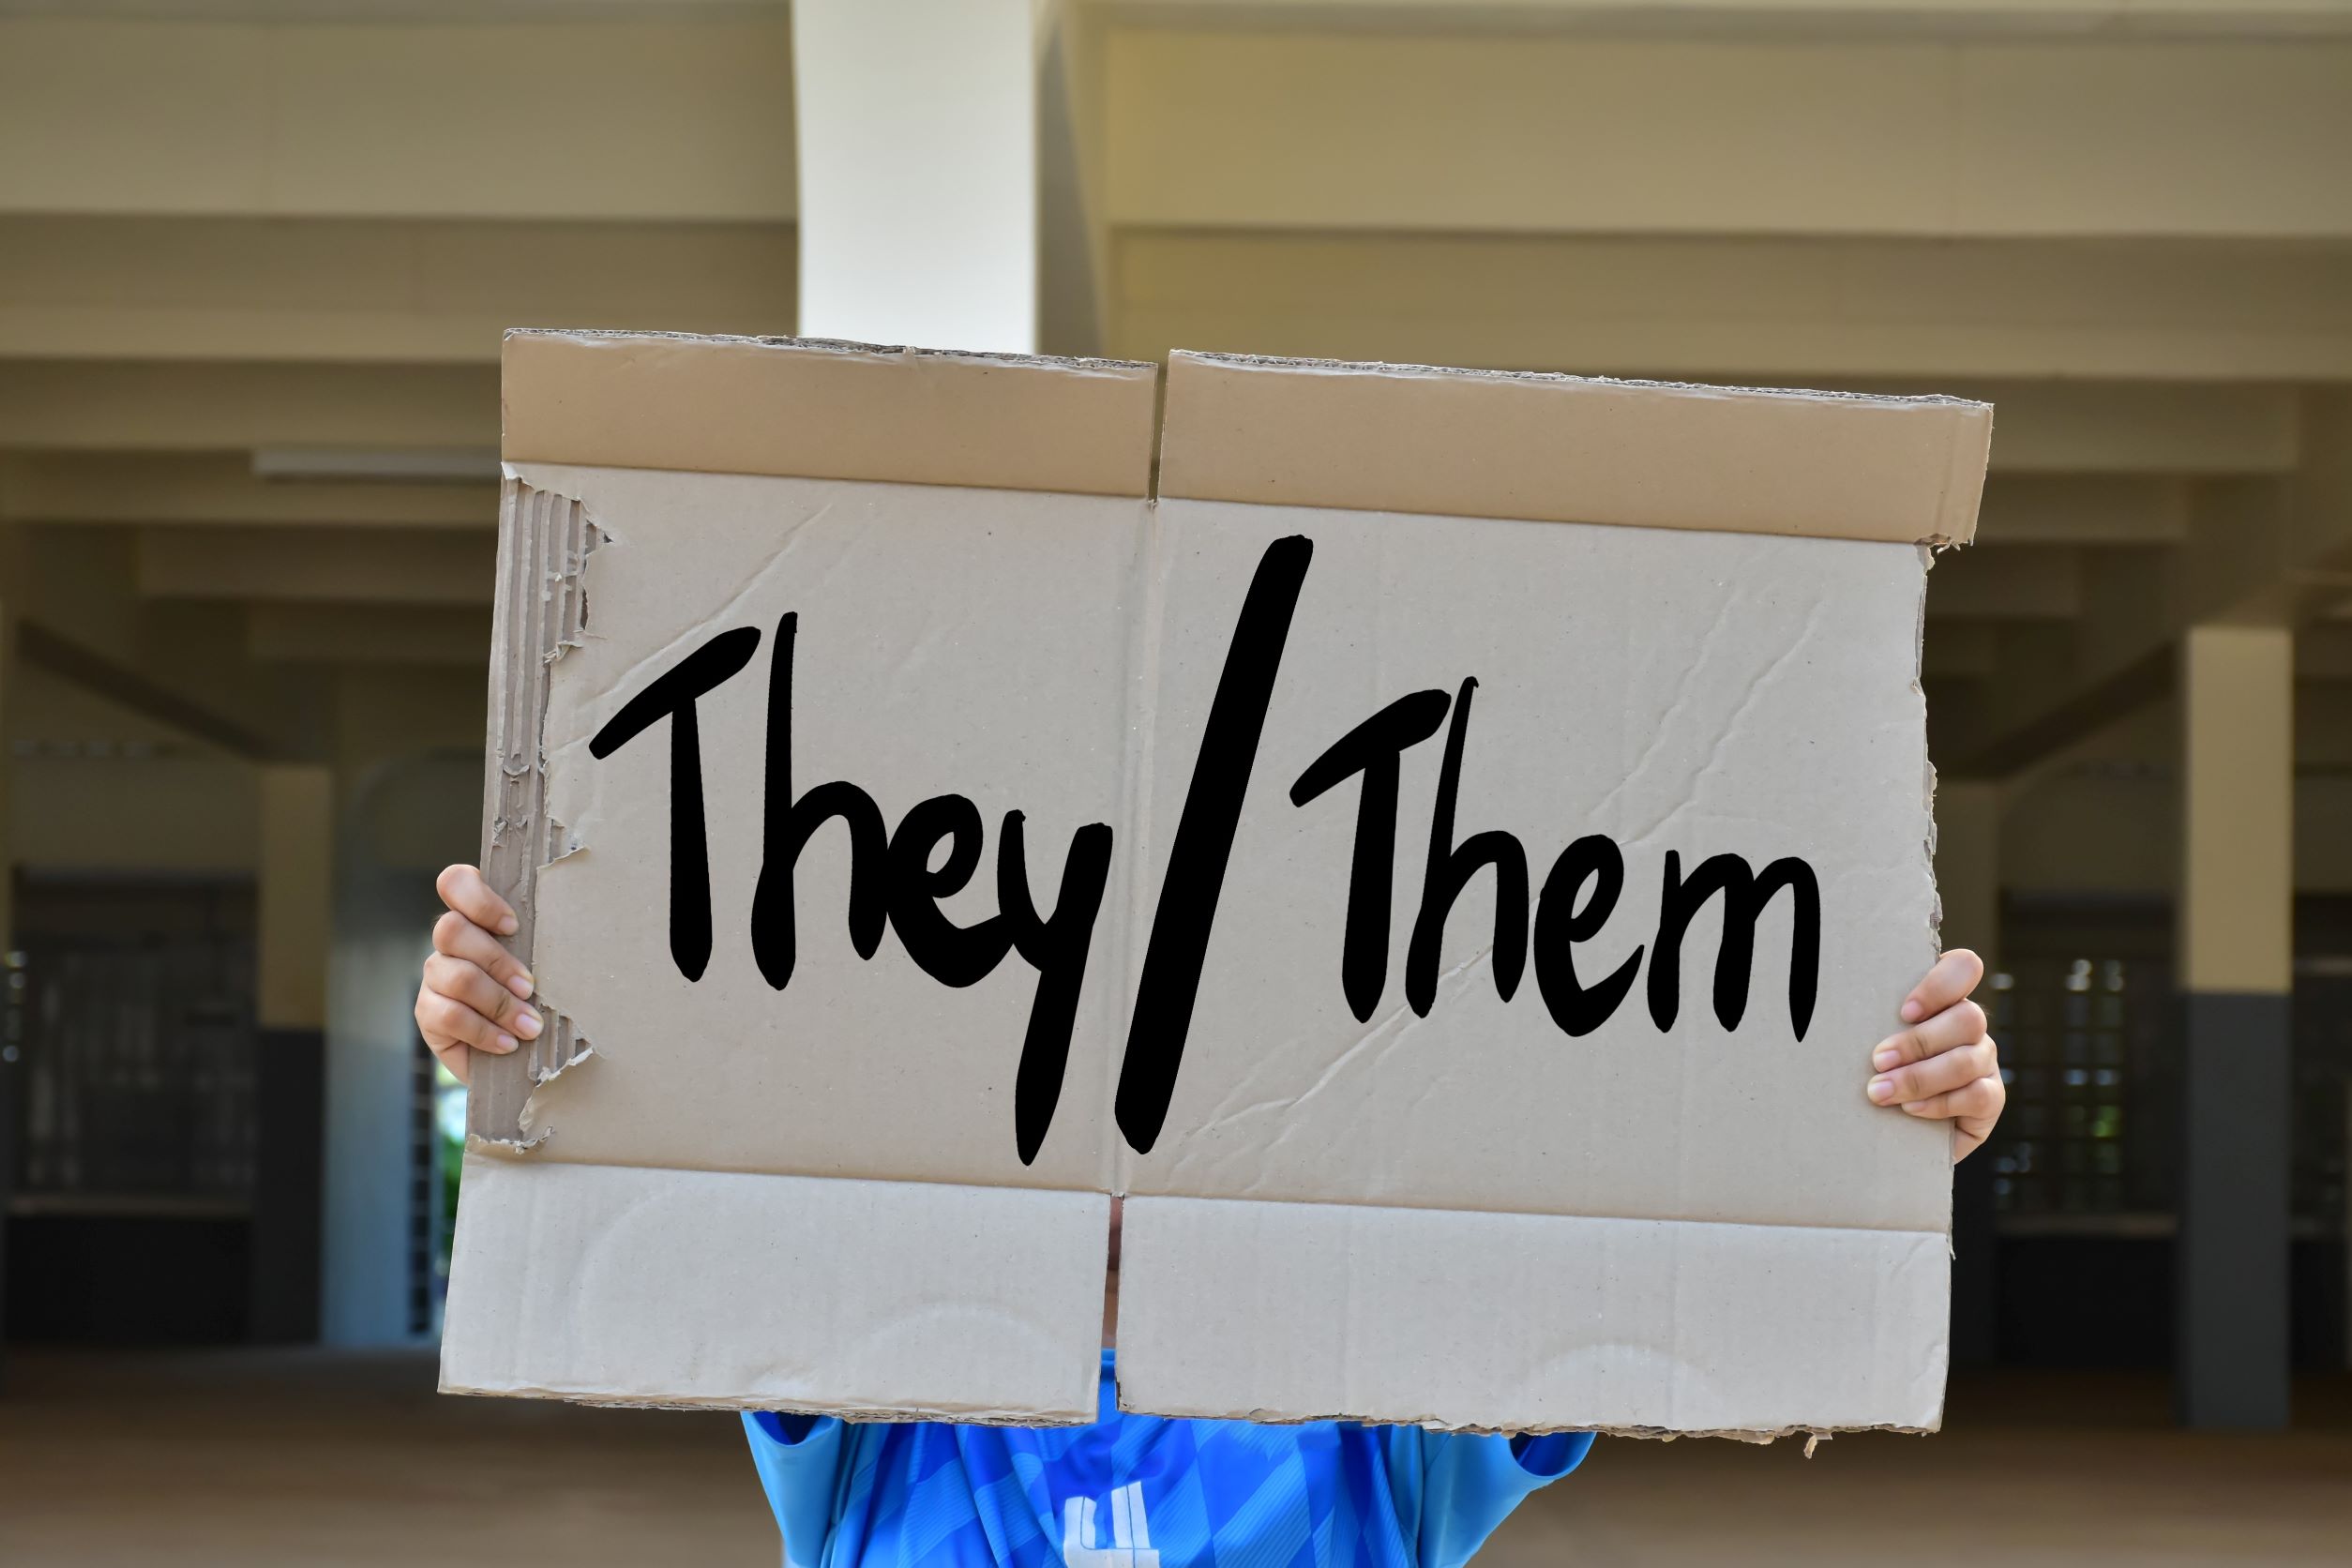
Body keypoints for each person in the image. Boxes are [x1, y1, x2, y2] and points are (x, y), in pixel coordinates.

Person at [419, 864, 2005, 1568]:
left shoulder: (1371, 1414)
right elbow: (703, 1177)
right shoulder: (887, 1391)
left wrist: (1866, 1108)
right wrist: (528, 1031)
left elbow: (1615, 1233)